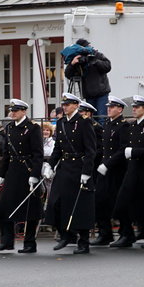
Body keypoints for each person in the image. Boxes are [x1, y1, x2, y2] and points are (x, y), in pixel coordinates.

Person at [43, 93, 96, 254]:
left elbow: (90, 150)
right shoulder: (61, 123)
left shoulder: (84, 123)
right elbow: (58, 148)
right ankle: (66, 234)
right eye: (64, 104)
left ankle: (84, 241)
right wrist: (50, 165)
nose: (64, 107)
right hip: (64, 168)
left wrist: (86, 172)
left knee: (79, 205)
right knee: (55, 202)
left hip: (79, 167)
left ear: (76, 106)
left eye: (68, 104)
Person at [0, 99, 44, 253]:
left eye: (16, 110)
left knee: (30, 209)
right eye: (11, 110)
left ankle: (29, 243)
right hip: (13, 172)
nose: (12, 113)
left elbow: (38, 154)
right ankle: (7, 241)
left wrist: (34, 174)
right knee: (3, 207)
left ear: (24, 111)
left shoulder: (32, 128)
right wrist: (1, 174)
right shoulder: (9, 128)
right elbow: (6, 154)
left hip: (27, 172)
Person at [111, 96, 144, 247]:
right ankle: (127, 234)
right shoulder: (133, 126)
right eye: (134, 107)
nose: (134, 109)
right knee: (122, 203)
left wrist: (134, 152)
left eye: (137, 107)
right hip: (132, 171)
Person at [92, 98, 129, 246]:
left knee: (119, 203)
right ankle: (104, 233)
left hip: (117, 169)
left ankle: (126, 234)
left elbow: (123, 149)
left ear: (120, 109)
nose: (109, 109)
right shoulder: (108, 123)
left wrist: (108, 164)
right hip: (105, 168)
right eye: (108, 106)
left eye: (112, 107)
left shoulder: (123, 126)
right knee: (100, 201)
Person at [62, 39, 112, 118]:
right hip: (89, 94)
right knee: (90, 118)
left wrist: (95, 61)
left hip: (101, 93)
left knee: (102, 117)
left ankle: (102, 130)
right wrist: (72, 64)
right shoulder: (78, 59)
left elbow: (108, 67)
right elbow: (68, 75)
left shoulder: (97, 55)